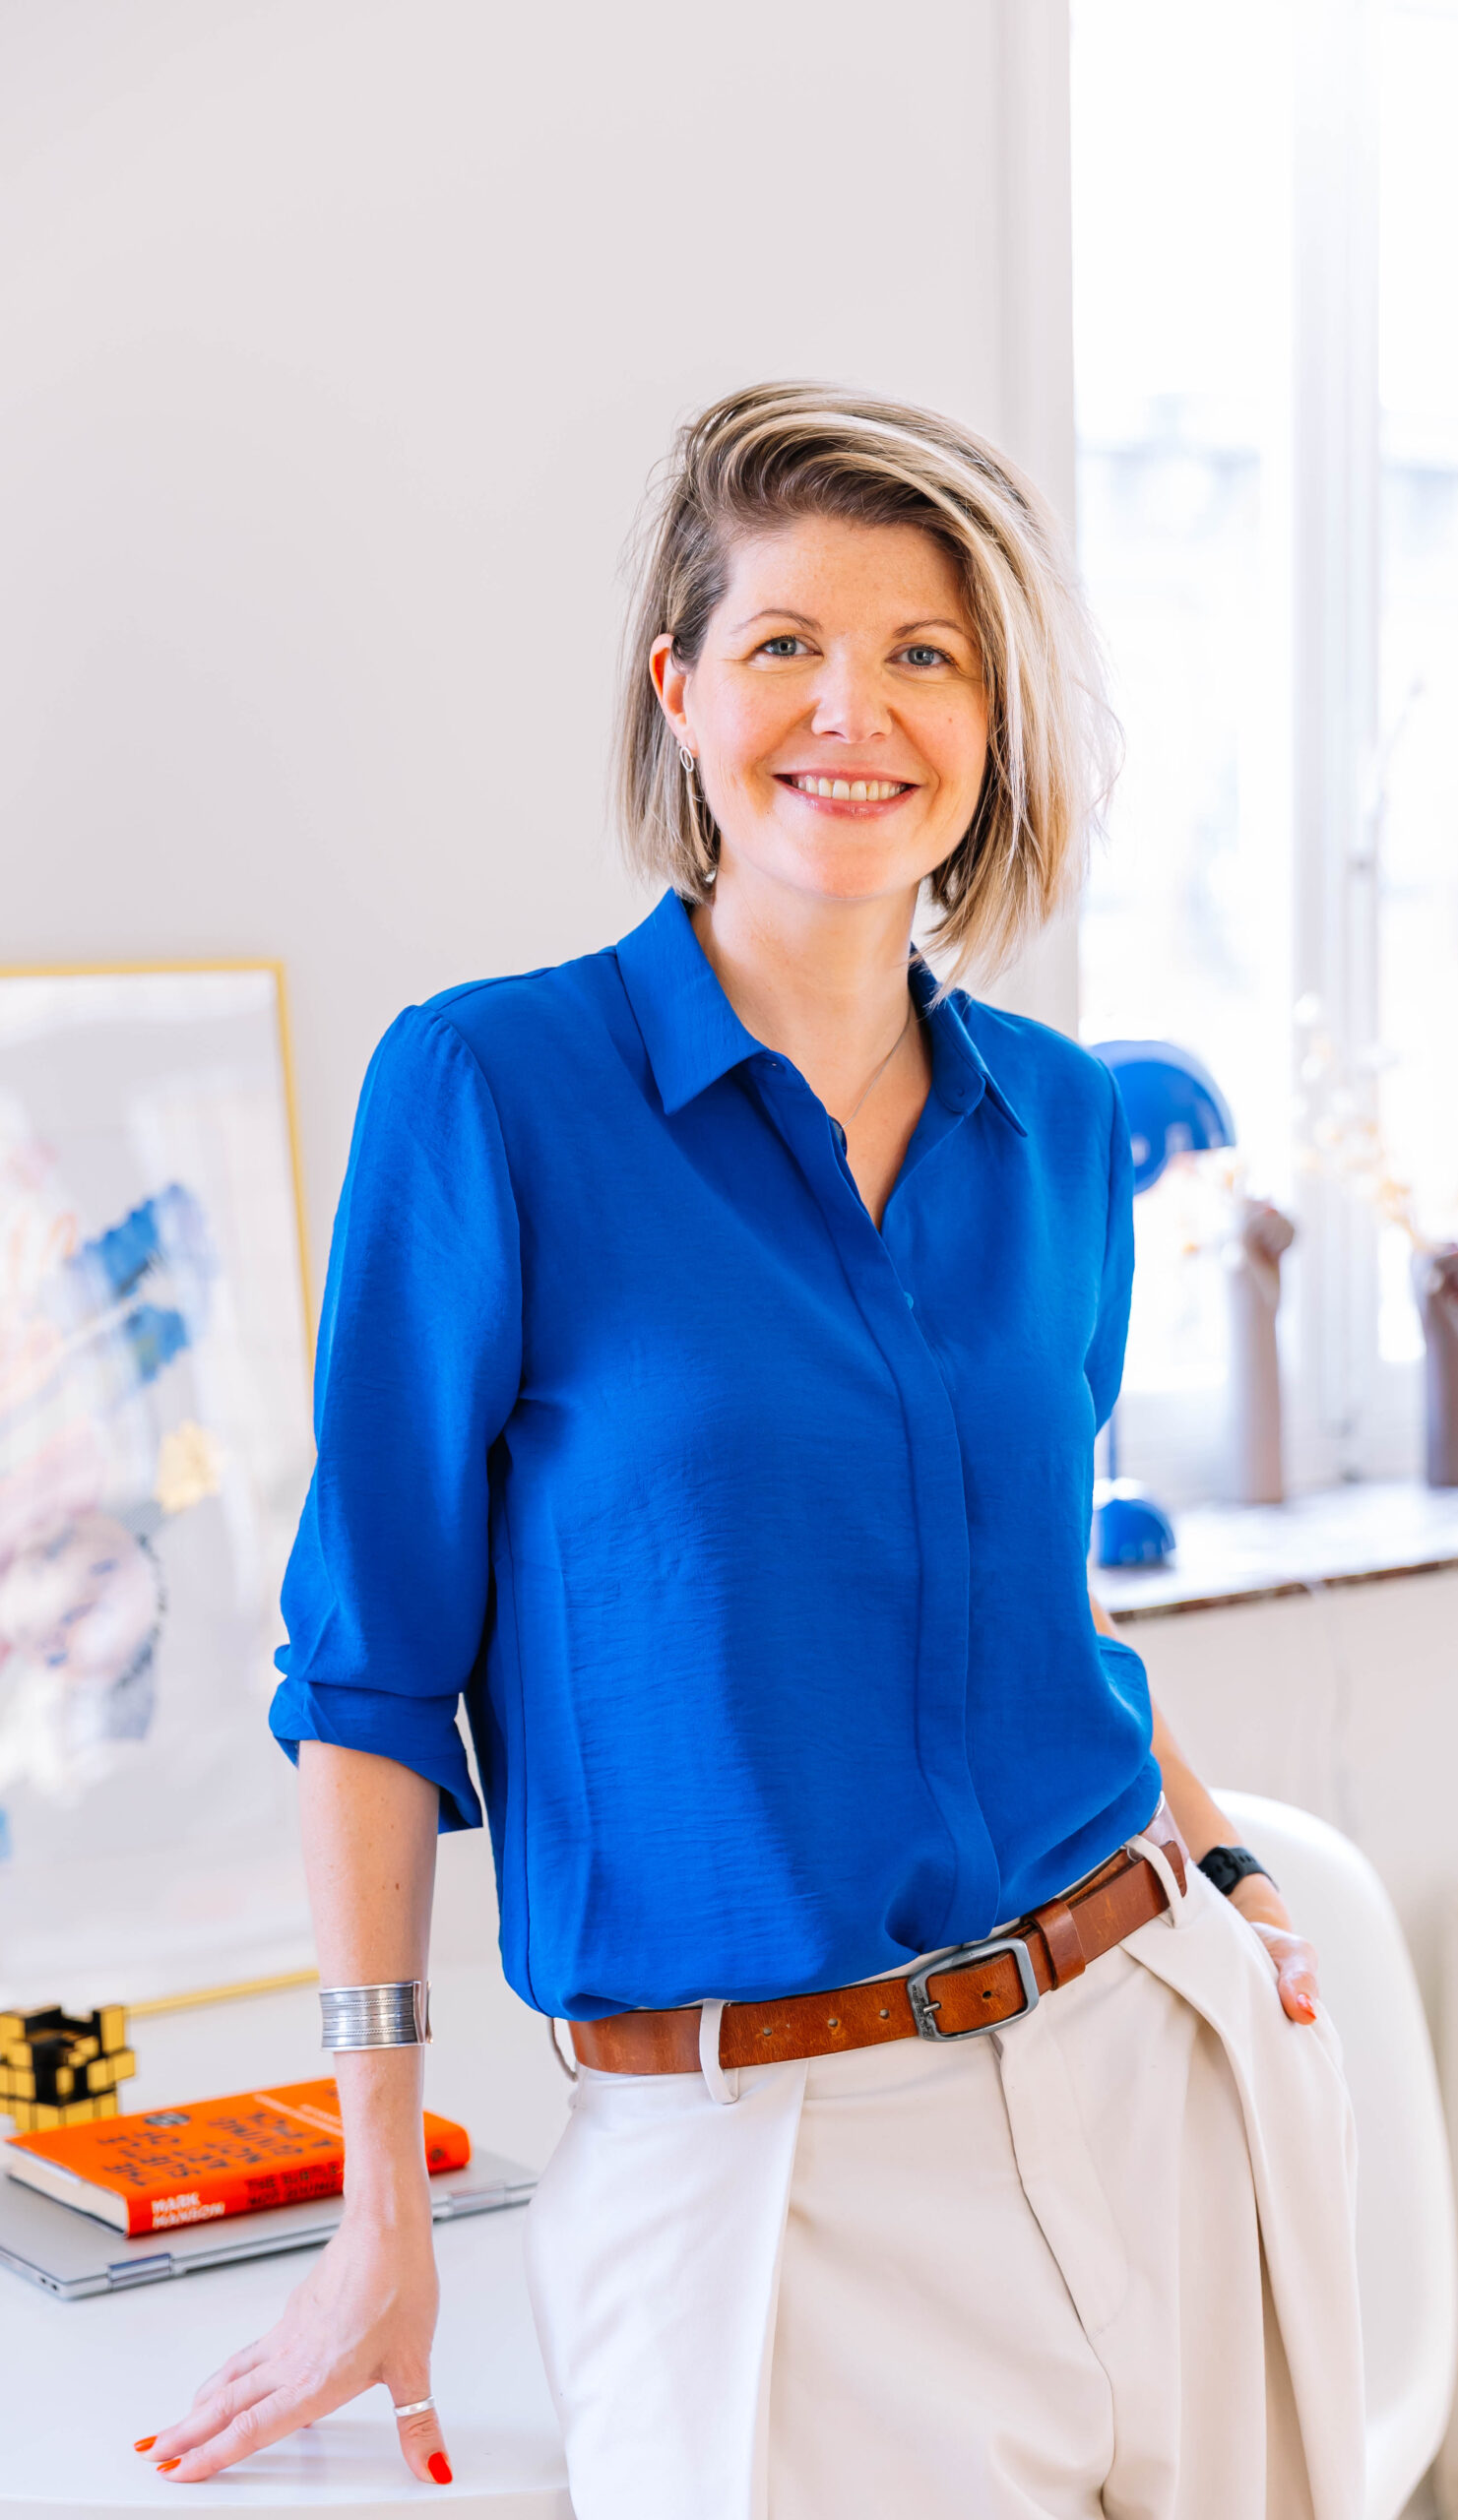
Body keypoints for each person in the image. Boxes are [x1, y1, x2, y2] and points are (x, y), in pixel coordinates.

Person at [141, 383, 1363, 2515]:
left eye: (923, 653)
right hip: (766, 2178)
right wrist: (373, 2208)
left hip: (1153, 2063)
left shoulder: (1062, 1123)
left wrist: (1235, 1876)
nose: (852, 708)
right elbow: (366, 1674)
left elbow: (1035, 1598)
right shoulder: (489, 1091)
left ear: (989, 722)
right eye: (785, 641)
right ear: (679, 695)